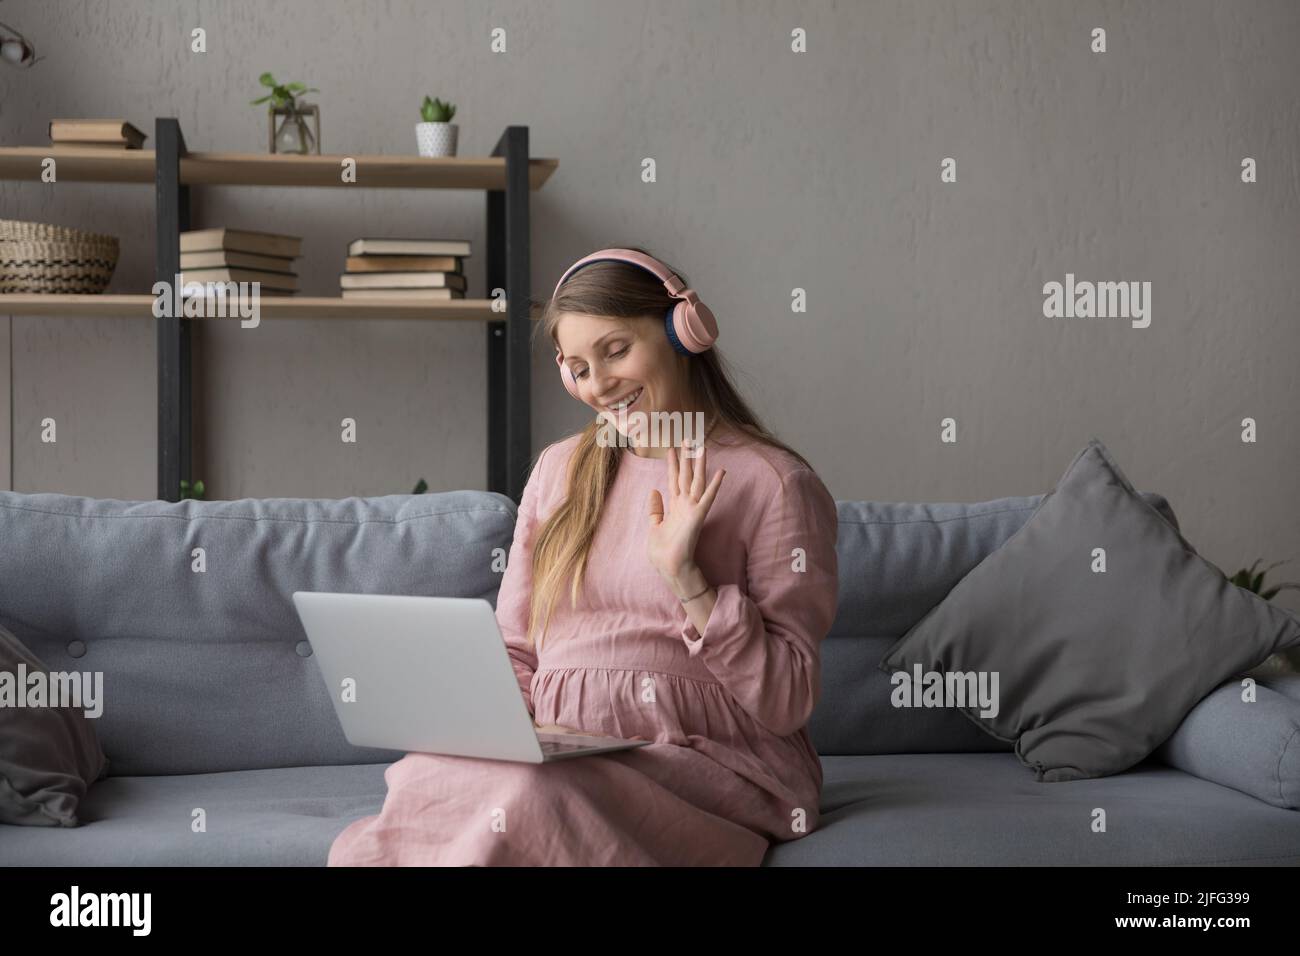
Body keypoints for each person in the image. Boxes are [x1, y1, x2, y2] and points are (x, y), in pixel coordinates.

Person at [327, 246, 839, 866]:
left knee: (533, 795)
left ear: (685, 333)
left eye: (616, 350)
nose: (598, 384)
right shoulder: (558, 472)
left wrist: (688, 581)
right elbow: (517, 649)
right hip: (568, 752)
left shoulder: (774, 482)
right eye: (577, 367)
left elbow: (786, 699)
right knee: (427, 776)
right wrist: (509, 734)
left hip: (708, 758)